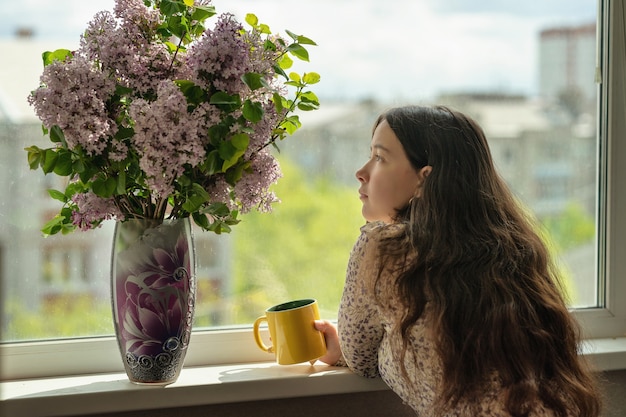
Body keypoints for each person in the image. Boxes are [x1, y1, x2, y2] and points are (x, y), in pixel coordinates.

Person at [314, 105, 602, 416]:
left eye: (380, 157)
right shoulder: (515, 252)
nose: (362, 171)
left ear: (424, 179)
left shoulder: (384, 247)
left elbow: (362, 358)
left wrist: (344, 346)